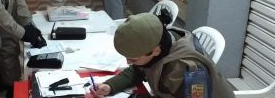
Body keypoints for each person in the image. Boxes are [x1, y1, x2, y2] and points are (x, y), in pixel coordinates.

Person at [88, 13, 235, 98]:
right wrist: (110, 86)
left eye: (133, 59)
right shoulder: (161, 38)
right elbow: (138, 70)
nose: (128, 62)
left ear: (156, 50)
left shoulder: (188, 70)